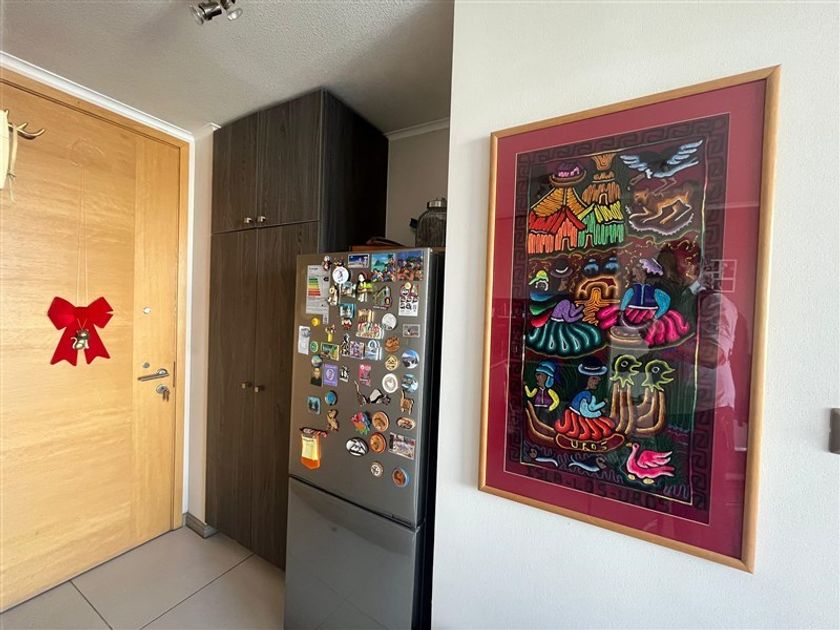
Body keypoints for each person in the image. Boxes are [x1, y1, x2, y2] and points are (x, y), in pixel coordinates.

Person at [596, 257, 691, 347]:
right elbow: (625, 300)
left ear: (647, 274)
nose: (635, 275)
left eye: (638, 272)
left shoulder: (655, 292)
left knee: (665, 325)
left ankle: (650, 338)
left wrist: (656, 316)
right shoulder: (632, 290)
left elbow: (665, 303)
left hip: (649, 314)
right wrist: (622, 310)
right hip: (630, 313)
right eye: (635, 273)